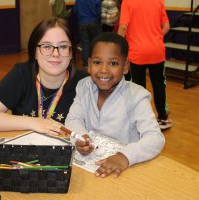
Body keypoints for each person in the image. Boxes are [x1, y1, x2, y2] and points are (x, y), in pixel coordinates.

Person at [65, 33, 165, 178]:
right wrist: (80, 137)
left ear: (125, 67)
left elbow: (155, 138)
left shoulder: (137, 96)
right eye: (97, 62)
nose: (104, 70)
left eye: (113, 63)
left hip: (125, 171)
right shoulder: (83, 86)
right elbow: (73, 119)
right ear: (89, 64)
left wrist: (125, 156)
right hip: (91, 168)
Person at [0, 17, 87, 136]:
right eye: (47, 46)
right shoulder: (21, 74)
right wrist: (35, 123)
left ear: (71, 53)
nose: (55, 54)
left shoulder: (85, 82)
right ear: (34, 52)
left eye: (63, 47)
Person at [118, 0, 171, 130]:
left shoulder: (128, 2)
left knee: (138, 87)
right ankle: (163, 118)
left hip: (137, 52)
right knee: (159, 84)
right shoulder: (158, 1)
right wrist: (156, 37)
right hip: (156, 50)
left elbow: (123, 27)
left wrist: (118, 47)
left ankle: (142, 120)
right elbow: (166, 26)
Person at [72, 0, 101, 69]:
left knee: (85, 45)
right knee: (96, 44)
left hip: (82, 23)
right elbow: (99, 12)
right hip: (94, 23)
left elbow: (75, 11)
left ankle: (86, 65)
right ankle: (97, 63)